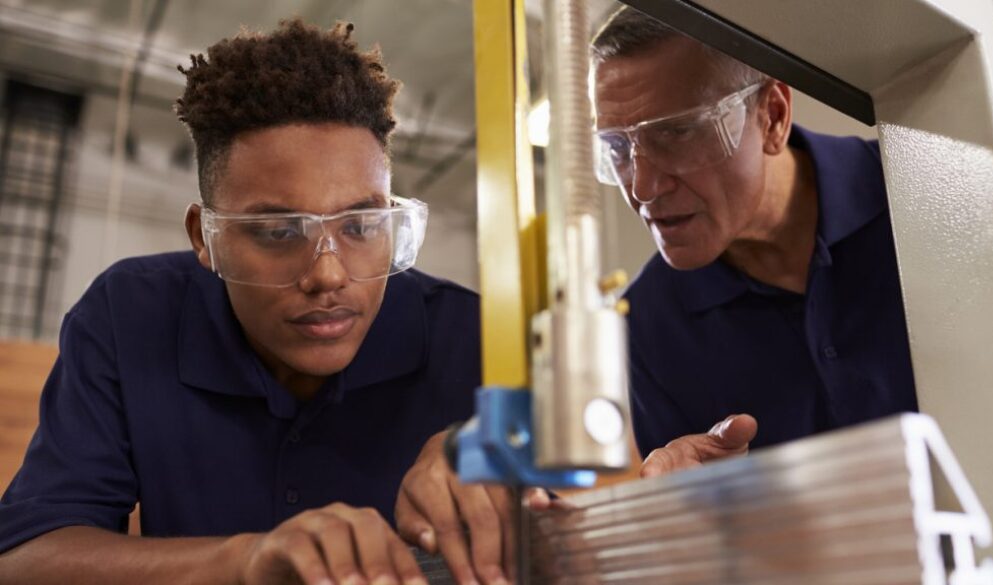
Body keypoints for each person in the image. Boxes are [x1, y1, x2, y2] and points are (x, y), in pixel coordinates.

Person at [0, 19, 480, 585]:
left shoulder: (469, 337)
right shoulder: (130, 314)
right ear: (205, 237)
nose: (328, 275)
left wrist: (495, 462)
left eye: (362, 225)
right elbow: (24, 559)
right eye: (279, 232)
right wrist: (245, 559)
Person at [591, 6, 917, 477]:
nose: (641, 189)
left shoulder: (918, 204)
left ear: (772, 116)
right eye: (618, 149)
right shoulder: (651, 322)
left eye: (678, 132)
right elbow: (714, 537)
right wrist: (688, 504)